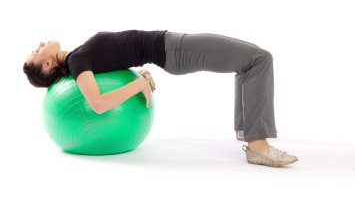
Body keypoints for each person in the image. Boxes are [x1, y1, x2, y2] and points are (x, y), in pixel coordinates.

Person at [23, 29, 298, 167]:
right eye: (37, 51)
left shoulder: (79, 57)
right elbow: (97, 103)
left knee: (251, 60)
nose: (41, 44)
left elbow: (116, 58)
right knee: (259, 60)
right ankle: (258, 146)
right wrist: (139, 85)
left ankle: (246, 130)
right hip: (174, 51)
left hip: (171, 46)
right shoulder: (78, 62)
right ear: (47, 65)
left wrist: (139, 72)